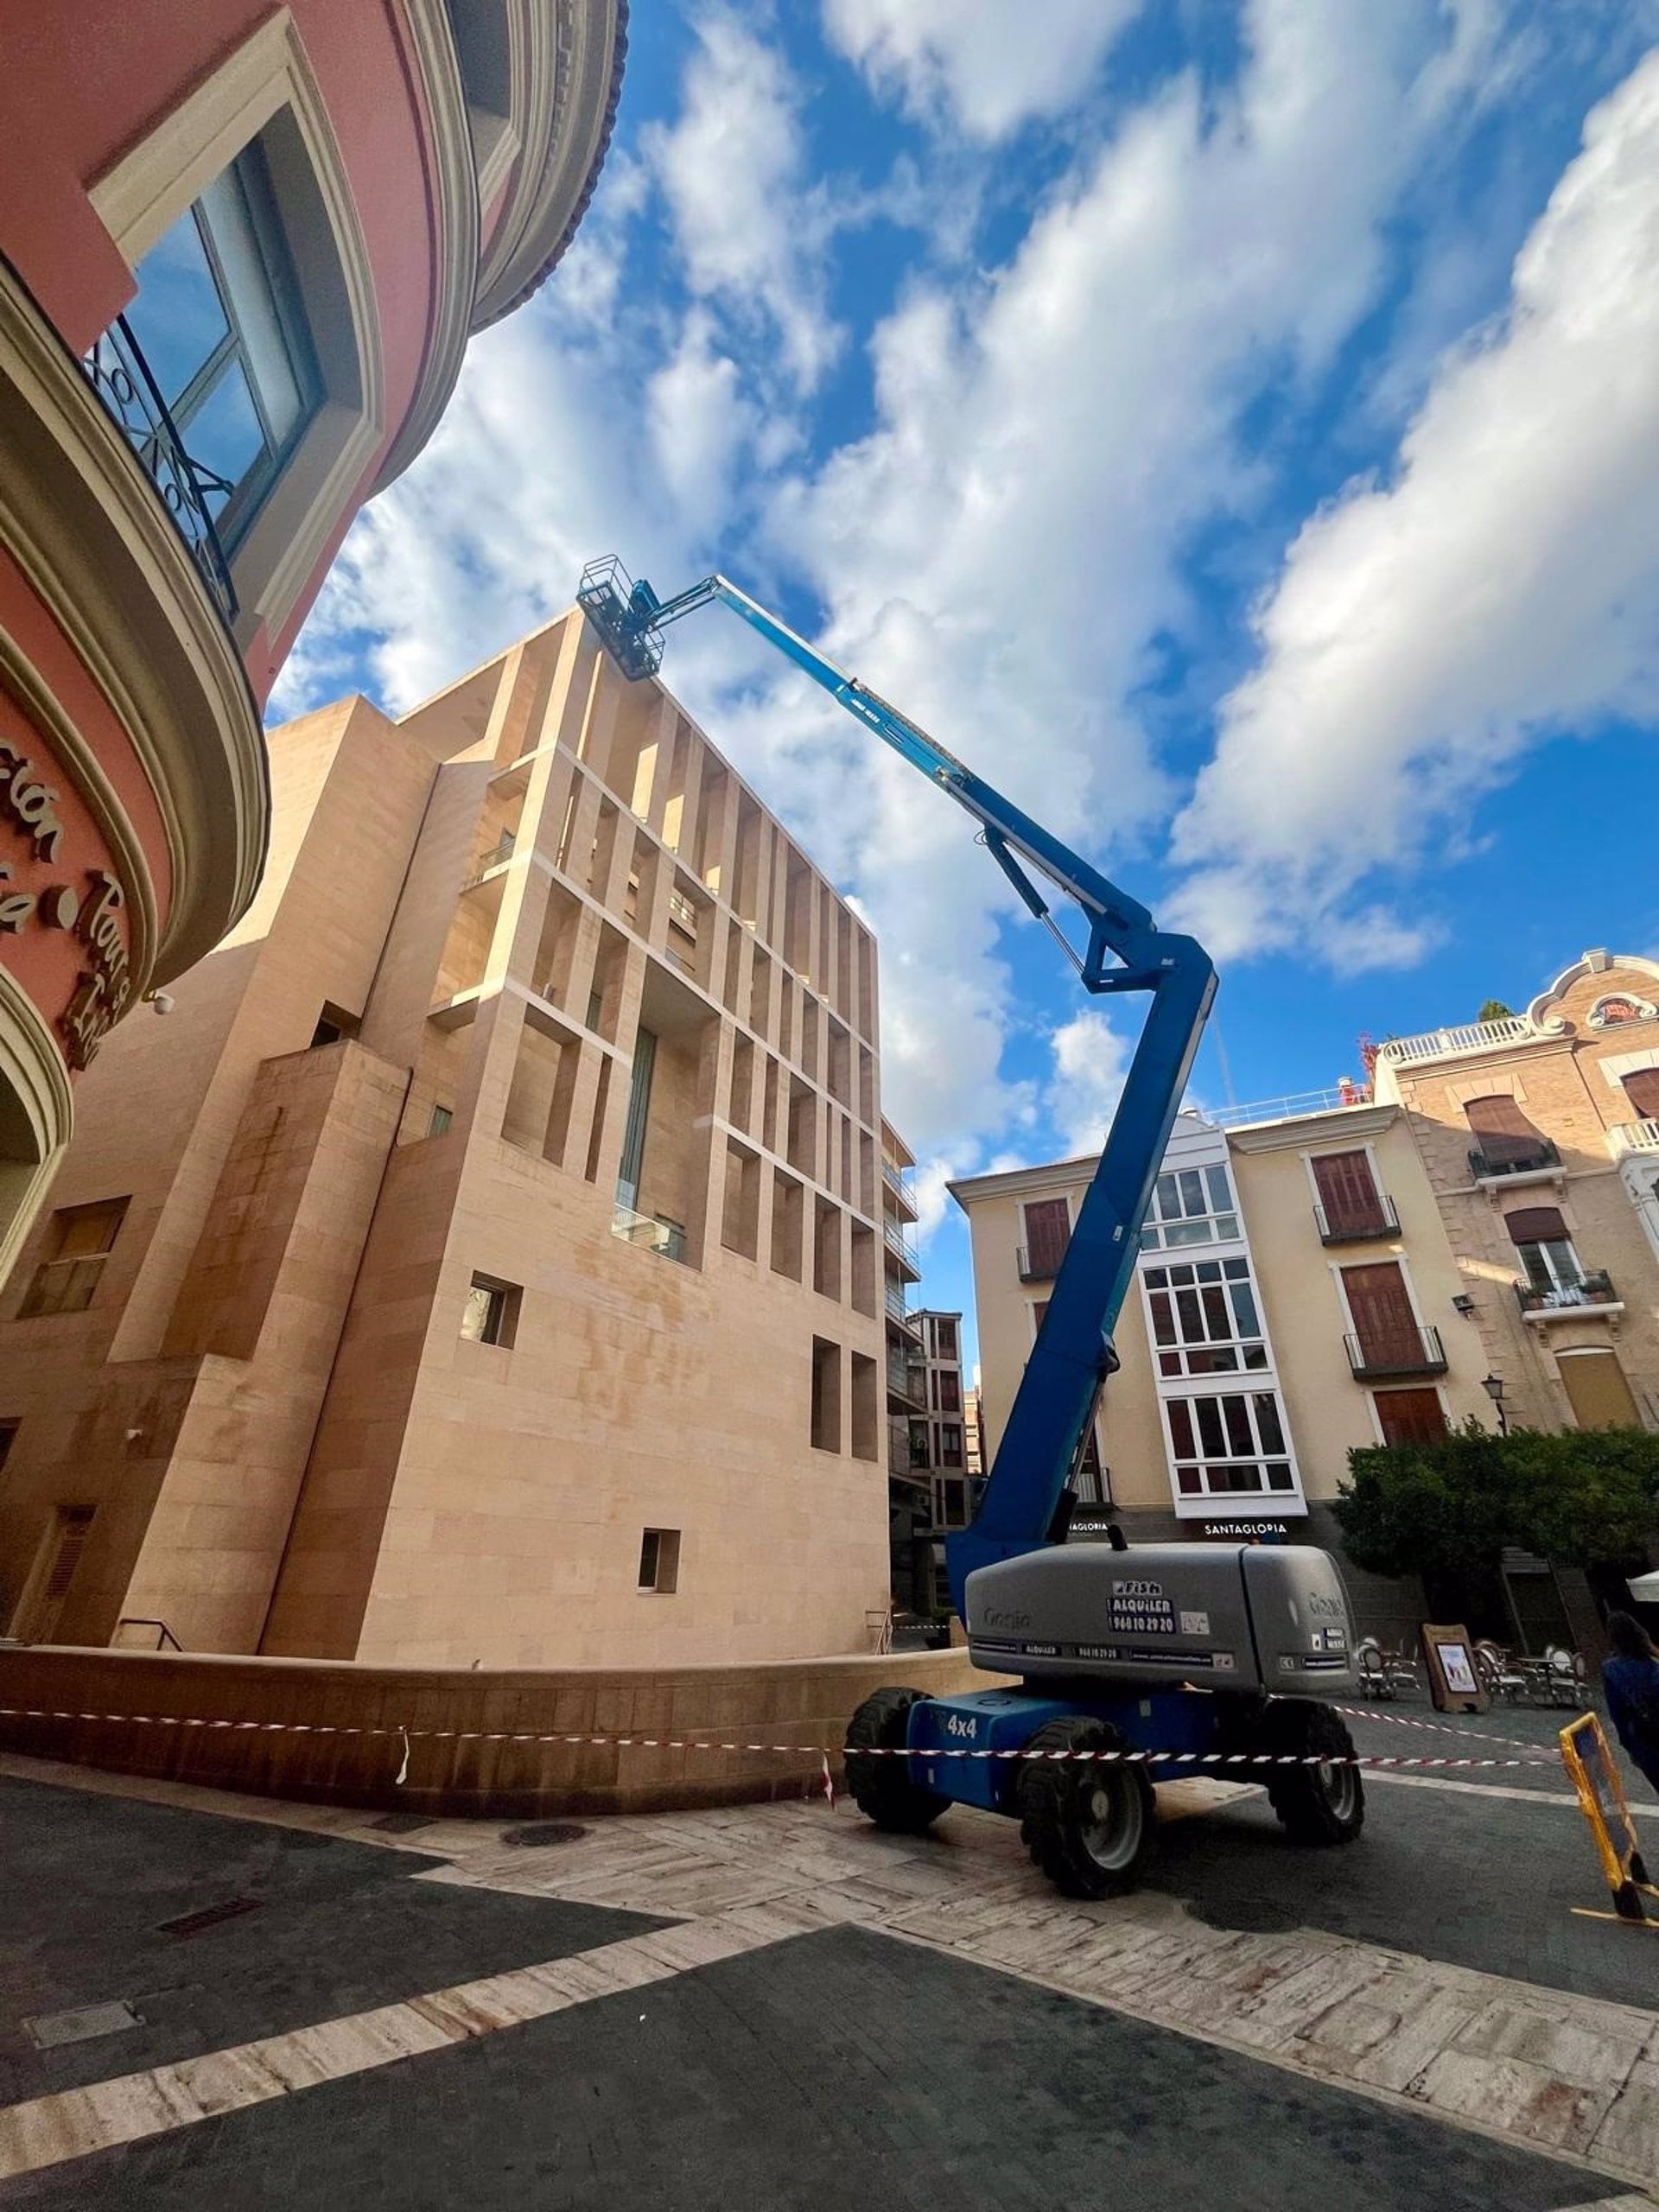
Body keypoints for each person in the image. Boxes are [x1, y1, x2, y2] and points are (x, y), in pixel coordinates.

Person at [1600, 1612, 1659, 1792]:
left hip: (1646, 1743)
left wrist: (1630, 1748)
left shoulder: (1612, 1670)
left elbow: (1618, 1716)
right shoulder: (1654, 1662)